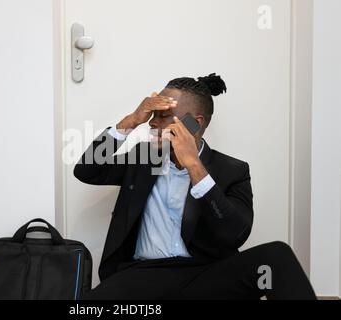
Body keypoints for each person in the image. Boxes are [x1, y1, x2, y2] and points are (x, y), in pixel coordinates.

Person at [74, 74, 316, 300]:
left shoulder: (233, 170)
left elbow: (235, 234)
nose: (153, 123)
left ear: (195, 123)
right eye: (152, 115)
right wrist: (130, 121)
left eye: (163, 116)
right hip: (144, 276)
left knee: (275, 257)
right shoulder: (145, 159)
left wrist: (194, 167)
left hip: (208, 276)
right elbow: (87, 169)